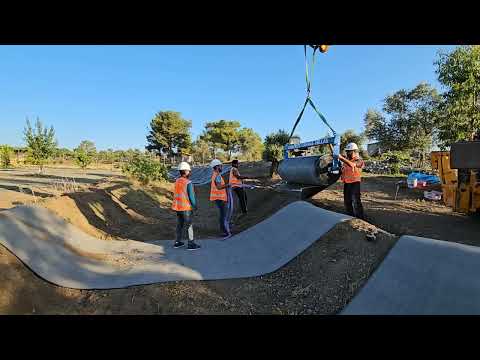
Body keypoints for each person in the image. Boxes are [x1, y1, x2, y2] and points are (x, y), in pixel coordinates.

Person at [171, 162, 201, 251]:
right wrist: (195, 206)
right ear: (186, 171)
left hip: (178, 207)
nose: (190, 172)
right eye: (189, 171)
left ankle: (177, 242)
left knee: (179, 225)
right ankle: (191, 244)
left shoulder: (177, 181)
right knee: (189, 226)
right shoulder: (188, 182)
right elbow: (191, 196)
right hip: (186, 208)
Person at [338, 143, 365, 220]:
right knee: (347, 201)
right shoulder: (347, 160)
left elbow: (352, 165)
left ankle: (360, 219)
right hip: (347, 183)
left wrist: (341, 158)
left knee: (356, 201)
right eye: (347, 151)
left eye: (349, 151)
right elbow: (343, 170)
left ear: (354, 151)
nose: (347, 153)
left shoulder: (359, 160)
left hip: (355, 183)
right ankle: (350, 217)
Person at [209, 159, 232, 238]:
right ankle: (225, 231)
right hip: (220, 198)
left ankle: (224, 230)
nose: (221, 167)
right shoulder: (217, 175)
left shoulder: (215, 174)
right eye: (220, 166)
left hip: (218, 198)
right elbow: (219, 187)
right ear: (216, 167)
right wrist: (227, 185)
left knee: (223, 215)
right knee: (223, 215)